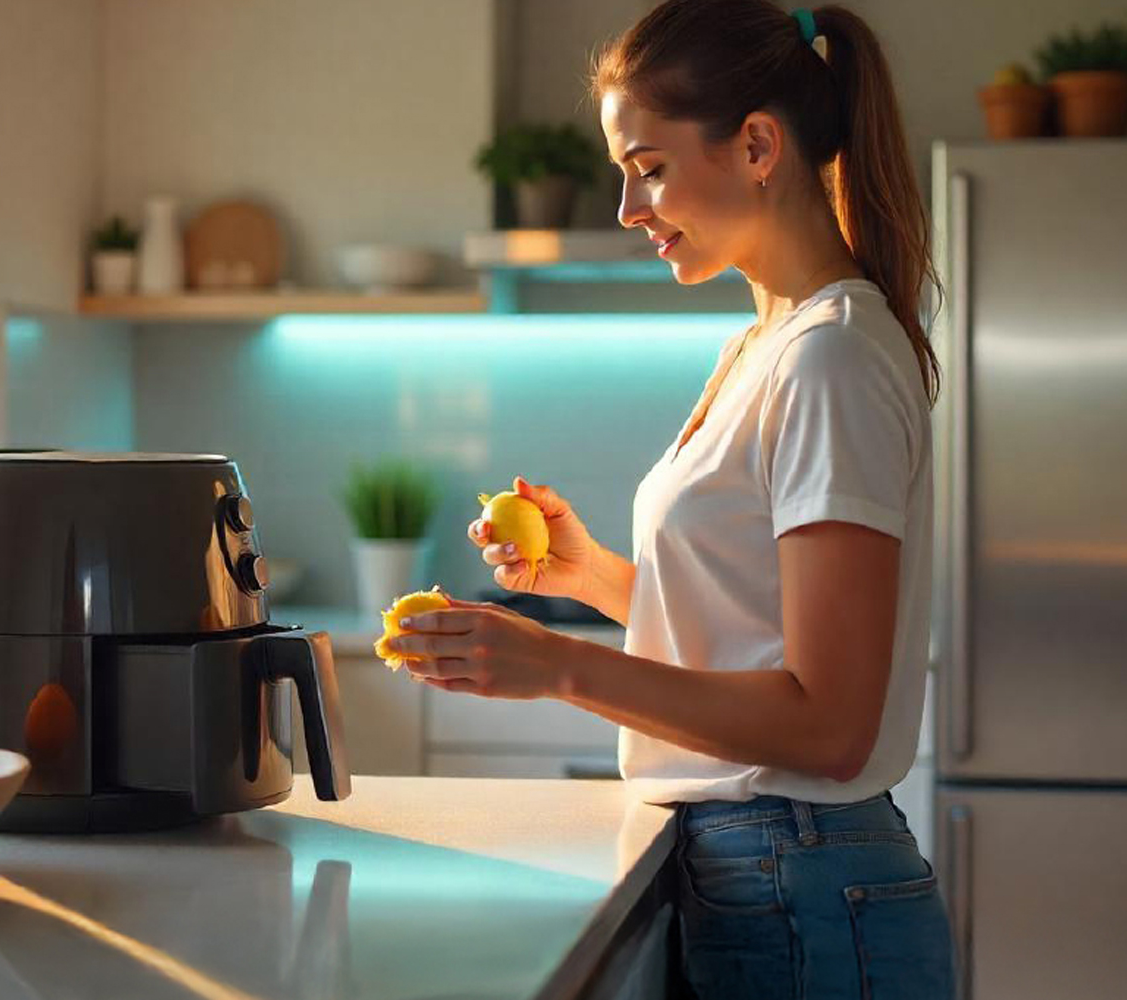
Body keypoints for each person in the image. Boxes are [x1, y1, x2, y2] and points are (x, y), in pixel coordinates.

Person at [383, 1, 956, 995]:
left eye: (647, 166)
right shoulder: (766, 346)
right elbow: (749, 626)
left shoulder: (829, 357)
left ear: (758, 145)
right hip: (765, 873)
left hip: (802, 879)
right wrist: (591, 576)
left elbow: (830, 726)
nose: (627, 207)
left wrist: (558, 665)